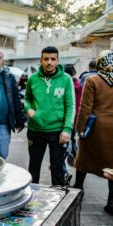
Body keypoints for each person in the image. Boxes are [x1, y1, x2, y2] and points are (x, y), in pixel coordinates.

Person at [24, 46, 75, 186]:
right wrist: (28, 109)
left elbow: (71, 105)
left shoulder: (66, 79)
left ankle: (58, 199)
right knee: (33, 167)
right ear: (41, 61)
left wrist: (67, 129)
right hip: (36, 130)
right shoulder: (33, 79)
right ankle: (31, 198)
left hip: (57, 131)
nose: (49, 62)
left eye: (53, 59)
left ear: (58, 61)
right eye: (46, 59)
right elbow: (27, 98)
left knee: (57, 167)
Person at [73, 50, 113, 215]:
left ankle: (78, 189)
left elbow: (85, 107)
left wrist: (80, 129)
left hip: (95, 128)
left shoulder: (93, 80)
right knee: (112, 165)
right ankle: (111, 202)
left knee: (83, 159)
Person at [64, 64, 82, 167]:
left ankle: (68, 154)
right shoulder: (78, 83)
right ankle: (74, 154)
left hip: (68, 115)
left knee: (67, 138)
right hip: (76, 115)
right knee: (72, 137)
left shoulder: (66, 84)